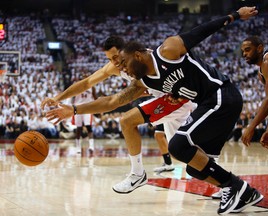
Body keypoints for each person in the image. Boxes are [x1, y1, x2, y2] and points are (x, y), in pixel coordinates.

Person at [44, 7, 263, 214]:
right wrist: (72, 109)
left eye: (123, 63)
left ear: (137, 55)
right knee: (196, 167)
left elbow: (201, 31)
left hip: (220, 94)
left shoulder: (168, 50)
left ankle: (237, 187)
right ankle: (240, 191)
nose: (122, 69)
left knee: (176, 144)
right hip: (206, 105)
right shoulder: (144, 82)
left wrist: (235, 15)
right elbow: (112, 101)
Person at [41, 36, 193, 191]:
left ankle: (138, 174)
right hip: (165, 98)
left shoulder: (141, 60)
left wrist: (73, 109)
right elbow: (87, 82)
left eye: (115, 57)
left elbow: (119, 99)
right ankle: (215, 179)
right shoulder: (115, 67)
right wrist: (57, 97)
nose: (113, 62)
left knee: (127, 121)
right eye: (109, 59)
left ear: (126, 51)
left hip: (179, 96)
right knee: (182, 152)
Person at [72, 80, 97, 153]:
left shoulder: (92, 87)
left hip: (87, 108)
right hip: (77, 107)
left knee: (89, 126)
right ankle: (78, 147)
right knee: (79, 128)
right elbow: (72, 97)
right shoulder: (76, 86)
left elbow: (95, 97)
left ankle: (91, 146)